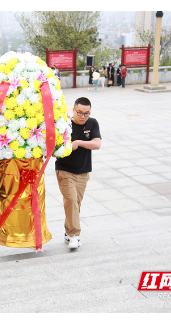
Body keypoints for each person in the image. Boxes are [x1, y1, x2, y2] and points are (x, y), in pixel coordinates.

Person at [55, 97, 101, 250]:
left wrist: (78, 143)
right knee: (71, 200)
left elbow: (97, 144)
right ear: (73, 110)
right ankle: (75, 235)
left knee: (75, 204)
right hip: (64, 170)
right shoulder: (64, 124)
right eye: (80, 112)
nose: (83, 116)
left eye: (86, 113)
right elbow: (55, 148)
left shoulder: (92, 123)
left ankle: (68, 232)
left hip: (83, 171)